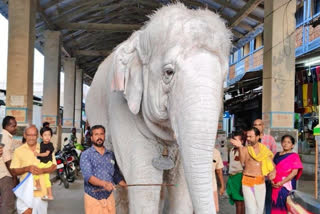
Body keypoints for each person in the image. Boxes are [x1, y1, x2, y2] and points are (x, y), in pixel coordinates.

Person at [80, 125, 126, 214]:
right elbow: (88, 176)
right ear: (92, 137)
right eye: (96, 134)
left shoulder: (110, 154)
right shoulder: (86, 155)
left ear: (104, 136)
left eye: (101, 134)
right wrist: (104, 184)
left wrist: (125, 185)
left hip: (109, 197)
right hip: (93, 197)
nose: (99, 137)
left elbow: (115, 174)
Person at [10, 125, 57, 214]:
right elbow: (13, 170)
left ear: (37, 136)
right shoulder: (18, 151)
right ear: (24, 135)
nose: (31, 138)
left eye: (34, 135)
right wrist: (26, 168)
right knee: (26, 211)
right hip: (25, 189)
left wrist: (42, 170)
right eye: (29, 135)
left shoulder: (45, 147)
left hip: (41, 189)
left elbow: (54, 166)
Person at [230, 127, 275, 214]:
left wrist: (273, 172)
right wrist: (240, 147)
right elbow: (242, 162)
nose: (248, 139)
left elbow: (271, 164)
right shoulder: (245, 149)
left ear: (258, 137)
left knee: (259, 209)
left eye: (251, 136)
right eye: (247, 136)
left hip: (260, 182)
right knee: (251, 210)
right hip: (247, 181)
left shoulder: (264, 150)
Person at [271, 135, 303, 214]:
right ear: (281, 143)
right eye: (284, 142)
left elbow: (294, 172)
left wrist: (282, 183)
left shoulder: (294, 156)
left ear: (292, 145)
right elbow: (272, 169)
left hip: (286, 184)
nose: (286, 144)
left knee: (286, 204)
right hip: (275, 183)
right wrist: (271, 181)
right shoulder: (277, 155)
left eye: (288, 142)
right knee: (276, 204)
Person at [253, 119, 277, 214]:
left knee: (268, 199)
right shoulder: (250, 139)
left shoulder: (270, 139)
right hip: (255, 175)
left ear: (263, 126)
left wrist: (272, 171)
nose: (257, 126)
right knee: (255, 201)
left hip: (267, 176)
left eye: (259, 124)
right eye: (255, 124)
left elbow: (274, 156)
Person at [1, 116, 21, 214]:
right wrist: (14, 176)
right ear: (7, 126)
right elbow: (7, 159)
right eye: (14, 126)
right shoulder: (6, 137)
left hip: (4, 173)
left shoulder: (5, 136)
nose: (16, 128)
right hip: (6, 174)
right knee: (8, 203)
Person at [33, 127, 55, 200]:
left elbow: (46, 154)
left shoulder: (50, 145)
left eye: (49, 135)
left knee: (35, 171)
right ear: (41, 136)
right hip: (43, 162)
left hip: (47, 163)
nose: (47, 137)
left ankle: (38, 185)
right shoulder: (41, 144)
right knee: (46, 179)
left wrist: (38, 154)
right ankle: (50, 195)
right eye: (45, 135)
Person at [226, 131, 245, 214]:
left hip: (239, 176)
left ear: (242, 142)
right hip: (232, 177)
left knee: (240, 201)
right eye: (234, 139)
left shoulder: (243, 150)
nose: (234, 142)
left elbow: (245, 165)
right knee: (237, 201)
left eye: (236, 140)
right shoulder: (232, 150)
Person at [0, 142, 16, 214]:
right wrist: (14, 176)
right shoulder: (6, 136)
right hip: (4, 175)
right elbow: (7, 161)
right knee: (7, 205)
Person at [212, 148, 225, 212]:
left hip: (212, 187)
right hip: (196, 187)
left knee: (214, 209)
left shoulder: (216, 152)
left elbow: (219, 171)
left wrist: (222, 186)